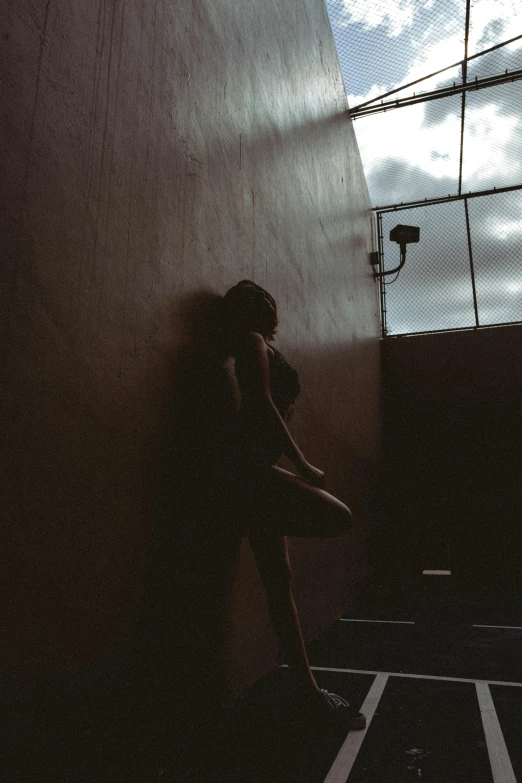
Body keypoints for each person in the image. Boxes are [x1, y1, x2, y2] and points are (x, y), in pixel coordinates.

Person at [218, 280, 366, 729]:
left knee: (279, 582)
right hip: (250, 471)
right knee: (338, 516)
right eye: (256, 299)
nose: (264, 302)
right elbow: (261, 402)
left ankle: (307, 692)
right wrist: (300, 464)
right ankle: (308, 692)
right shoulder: (251, 341)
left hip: (253, 473)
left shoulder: (256, 343)